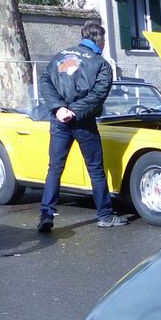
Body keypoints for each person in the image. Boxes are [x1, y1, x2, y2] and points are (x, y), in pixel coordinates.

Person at [37, 20, 127, 231]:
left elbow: (45, 81)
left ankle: (46, 215)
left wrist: (59, 108)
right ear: (100, 40)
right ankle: (105, 215)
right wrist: (74, 111)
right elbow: (98, 95)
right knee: (95, 169)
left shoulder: (60, 55)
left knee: (54, 168)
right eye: (104, 40)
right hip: (83, 122)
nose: (104, 44)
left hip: (59, 120)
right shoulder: (101, 64)